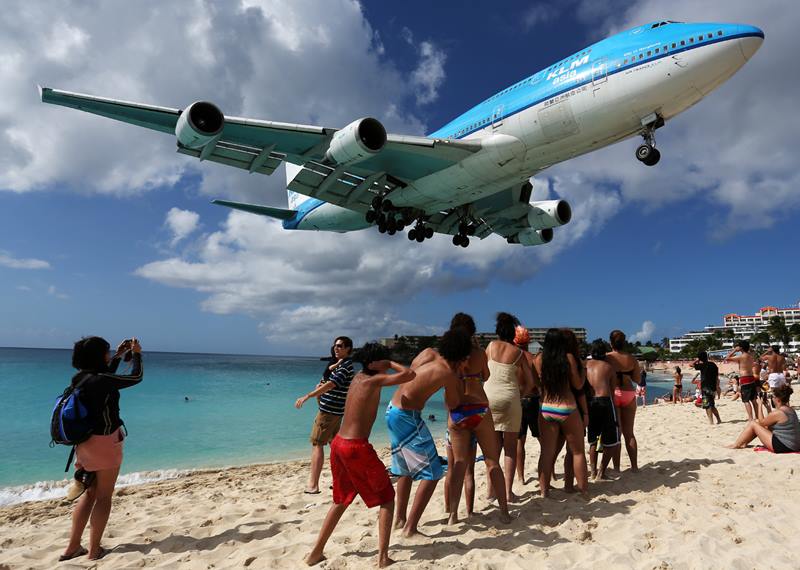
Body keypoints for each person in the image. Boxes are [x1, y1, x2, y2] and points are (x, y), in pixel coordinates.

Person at [305, 343, 415, 567]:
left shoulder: (358, 377)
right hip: (356, 448)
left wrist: (380, 363)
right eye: (382, 362)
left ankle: (316, 552)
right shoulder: (374, 380)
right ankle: (383, 558)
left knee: (341, 501)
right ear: (374, 363)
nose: (386, 366)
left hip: (339, 445)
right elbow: (409, 374)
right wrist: (390, 363)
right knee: (387, 499)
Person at [60, 336, 143, 562]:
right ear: (98, 356)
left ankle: (72, 547)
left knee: (90, 494)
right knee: (104, 497)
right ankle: (94, 550)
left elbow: (105, 376)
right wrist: (136, 354)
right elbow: (136, 377)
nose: (109, 355)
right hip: (105, 443)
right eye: (107, 352)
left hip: (84, 444)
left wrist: (117, 355)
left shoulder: (81, 378)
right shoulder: (101, 380)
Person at [387, 329, 474, 537]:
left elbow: (409, 379)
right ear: (461, 355)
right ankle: (410, 529)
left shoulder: (426, 353)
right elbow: (452, 404)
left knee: (405, 470)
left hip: (392, 409)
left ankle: (400, 519)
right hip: (408, 417)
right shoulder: (447, 372)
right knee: (433, 472)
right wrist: (460, 383)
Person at [443, 313, 511, 525]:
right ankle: (504, 512)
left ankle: (453, 515)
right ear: (472, 331)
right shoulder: (480, 353)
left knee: (460, 464)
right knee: (492, 462)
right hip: (479, 408)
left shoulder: (449, 357)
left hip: (458, 412)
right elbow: (487, 376)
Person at [484, 312, 534, 503]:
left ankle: (490, 492)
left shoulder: (490, 346)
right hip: (510, 397)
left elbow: (483, 371)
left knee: (492, 449)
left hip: (489, 396)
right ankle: (507, 492)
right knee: (510, 449)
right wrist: (518, 395)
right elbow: (529, 384)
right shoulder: (519, 353)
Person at [533, 328, 589, 497]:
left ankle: (544, 491)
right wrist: (584, 371)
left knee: (546, 452)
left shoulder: (538, 359)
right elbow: (578, 385)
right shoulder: (568, 358)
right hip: (567, 406)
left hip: (547, 407)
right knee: (578, 451)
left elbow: (536, 384)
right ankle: (583, 490)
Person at [295, 336, 354, 494]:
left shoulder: (345, 367)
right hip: (333, 411)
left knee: (317, 444)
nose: (336, 348)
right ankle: (343, 481)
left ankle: (313, 485)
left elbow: (330, 384)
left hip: (329, 412)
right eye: (335, 346)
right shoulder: (342, 365)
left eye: (340, 346)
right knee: (334, 446)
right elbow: (329, 382)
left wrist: (308, 396)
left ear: (348, 348)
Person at [605, 330, 641, 473]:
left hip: (613, 394)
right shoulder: (631, 359)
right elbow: (637, 380)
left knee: (617, 433)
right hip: (628, 393)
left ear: (611, 342)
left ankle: (617, 467)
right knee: (629, 433)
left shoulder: (607, 358)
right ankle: (634, 467)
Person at [726, 384, 800, 453]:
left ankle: (736, 445)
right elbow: (770, 423)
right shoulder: (790, 410)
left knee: (753, 424)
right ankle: (743, 443)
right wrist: (768, 409)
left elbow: (762, 423)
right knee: (758, 423)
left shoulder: (779, 412)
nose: (772, 399)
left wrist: (760, 405)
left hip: (783, 446)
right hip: (793, 445)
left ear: (778, 399)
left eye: (772, 397)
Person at [585, 340, 620, 480]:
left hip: (590, 402)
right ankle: (601, 472)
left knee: (593, 440)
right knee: (610, 441)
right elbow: (612, 390)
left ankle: (593, 472)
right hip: (605, 401)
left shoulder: (585, 365)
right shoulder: (608, 367)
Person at [514, 325, 541, 487]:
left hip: (517, 401)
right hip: (533, 399)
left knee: (520, 441)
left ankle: (521, 476)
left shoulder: (512, 358)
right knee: (542, 439)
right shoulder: (532, 358)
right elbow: (538, 383)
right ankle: (549, 473)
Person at [725, 340, 758, 421]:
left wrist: (735, 350)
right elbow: (753, 351)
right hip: (751, 377)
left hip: (744, 378)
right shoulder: (751, 356)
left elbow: (727, 358)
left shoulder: (741, 356)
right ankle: (757, 416)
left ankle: (750, 418)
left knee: (746, 400)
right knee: (753, 400)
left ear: (741, 348)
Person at [692, 351, 722, 425]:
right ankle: (718, 419)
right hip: (713, 388)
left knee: (707, 405)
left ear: (700, 358)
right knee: (712, 405)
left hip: (705, 388)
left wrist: (697, 360)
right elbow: (716, 377)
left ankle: (711, 422)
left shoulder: (702, 365)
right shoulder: (713, 365)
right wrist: (717, 387)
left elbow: (691, 364)